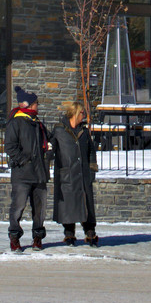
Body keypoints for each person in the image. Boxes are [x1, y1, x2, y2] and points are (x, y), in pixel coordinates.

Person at [2, 86, 51, 252]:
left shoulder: (37, 123)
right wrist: (24, 160)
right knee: (18, 207)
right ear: (29, 105)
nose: (38, 105)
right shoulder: (16, 122)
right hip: (22, 174)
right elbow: (10, 147)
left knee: (40, 209)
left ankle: (37, 237)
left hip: (39, 174)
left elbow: (49, 141)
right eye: (36, 103)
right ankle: (14, 238)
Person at [51, 100, 99, 247]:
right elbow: (50, 148)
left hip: (83, 174)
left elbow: (91, 151)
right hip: (67, 174)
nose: (84, 116)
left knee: (87, 205)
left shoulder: (84, 132)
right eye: (83, 113)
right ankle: (69, 234)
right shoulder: (59, 130)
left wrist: (91, 168)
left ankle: (90, 232)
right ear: (76, 113)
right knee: (68, 205)